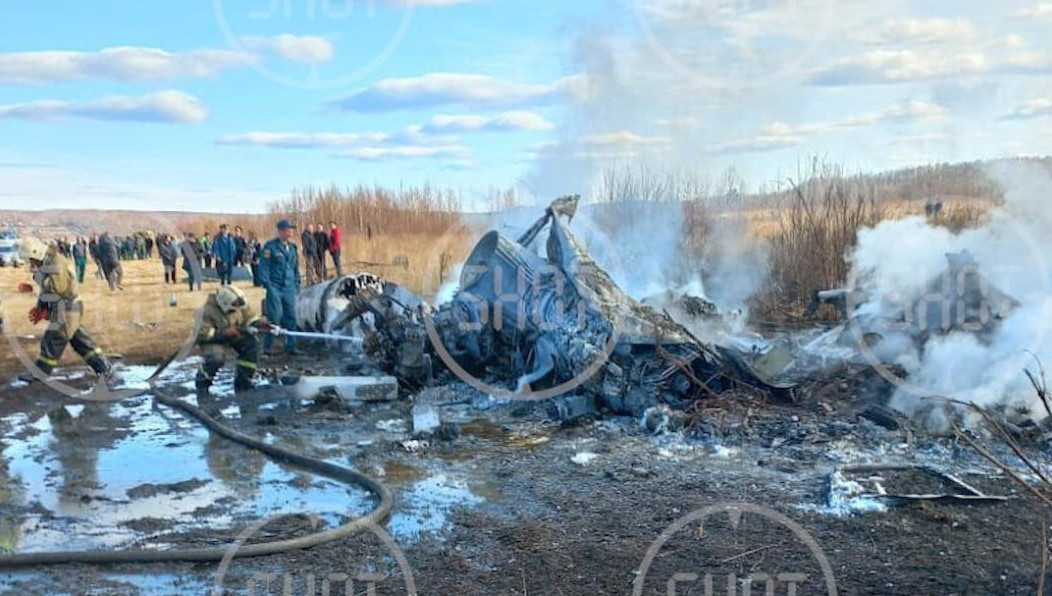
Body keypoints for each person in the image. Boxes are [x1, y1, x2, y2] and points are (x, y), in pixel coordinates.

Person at [18, 237, 113, 383]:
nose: (30, 264)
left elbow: (57, 289)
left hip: (67, 309)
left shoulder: (56, 263)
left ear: (36, 253)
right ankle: (104, 367)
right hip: (67, 308)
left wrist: (38, 277)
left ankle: (40, 373)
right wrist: (41, 308)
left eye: (31, 260)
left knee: (53, 339)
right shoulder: (49, 262)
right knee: (80, 341)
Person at [194, 285, 270, 394]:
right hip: (212, 340)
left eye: (239, 304)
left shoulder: (241, 304)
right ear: (224, 303)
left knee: (251, 345)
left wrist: (258, 323)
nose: (238, 308)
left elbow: (250, 318)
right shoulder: (206, 311)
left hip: (234, 335)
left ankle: (243, 381)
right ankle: (202, 382)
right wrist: (224, 333)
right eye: (235, 305)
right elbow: (203, 334)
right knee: (216, 359)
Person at [260, 219, 301, 355]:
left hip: (289, 287)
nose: (290, 232)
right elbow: (264, 267)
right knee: (275, 317)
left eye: (291, 230)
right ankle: (267, 347)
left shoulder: (293, 248)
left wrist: (297, 284)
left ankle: (291, 346)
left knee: (291, 317)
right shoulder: (270, 247)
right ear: (281, 231)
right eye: (288, 230)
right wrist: (268, 285)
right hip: (275, 287)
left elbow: (295, 268)